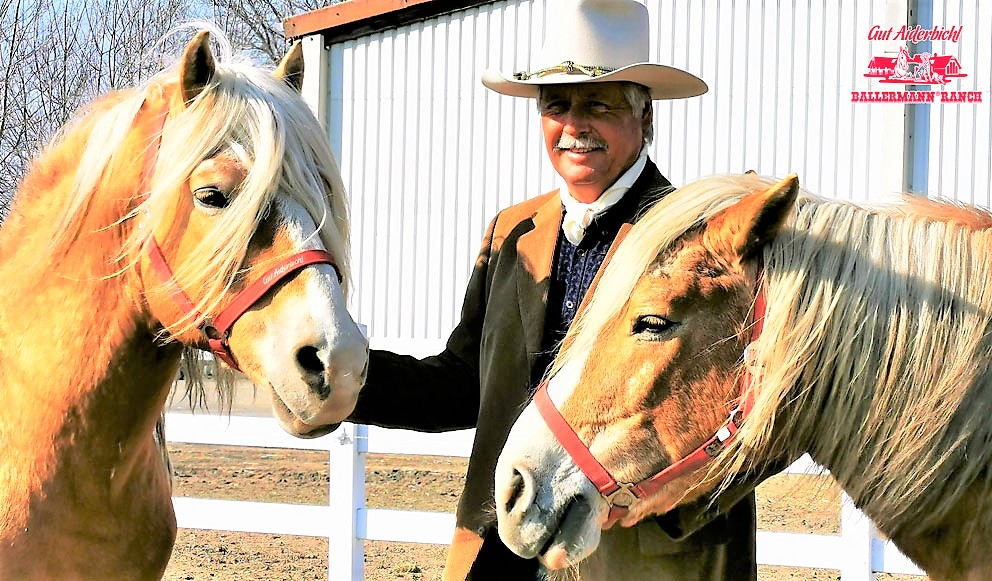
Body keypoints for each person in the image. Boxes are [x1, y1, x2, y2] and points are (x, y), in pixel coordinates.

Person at [348, 0, 759, 578]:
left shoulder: (704, 239)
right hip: (506, 543)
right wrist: (346, 380)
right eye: (556, 105)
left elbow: (752, 411)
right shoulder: (514, 230)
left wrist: (658, 495)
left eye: (599, 104)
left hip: (642, 556)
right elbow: (466, 385)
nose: (573, 125)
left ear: (645, 119)